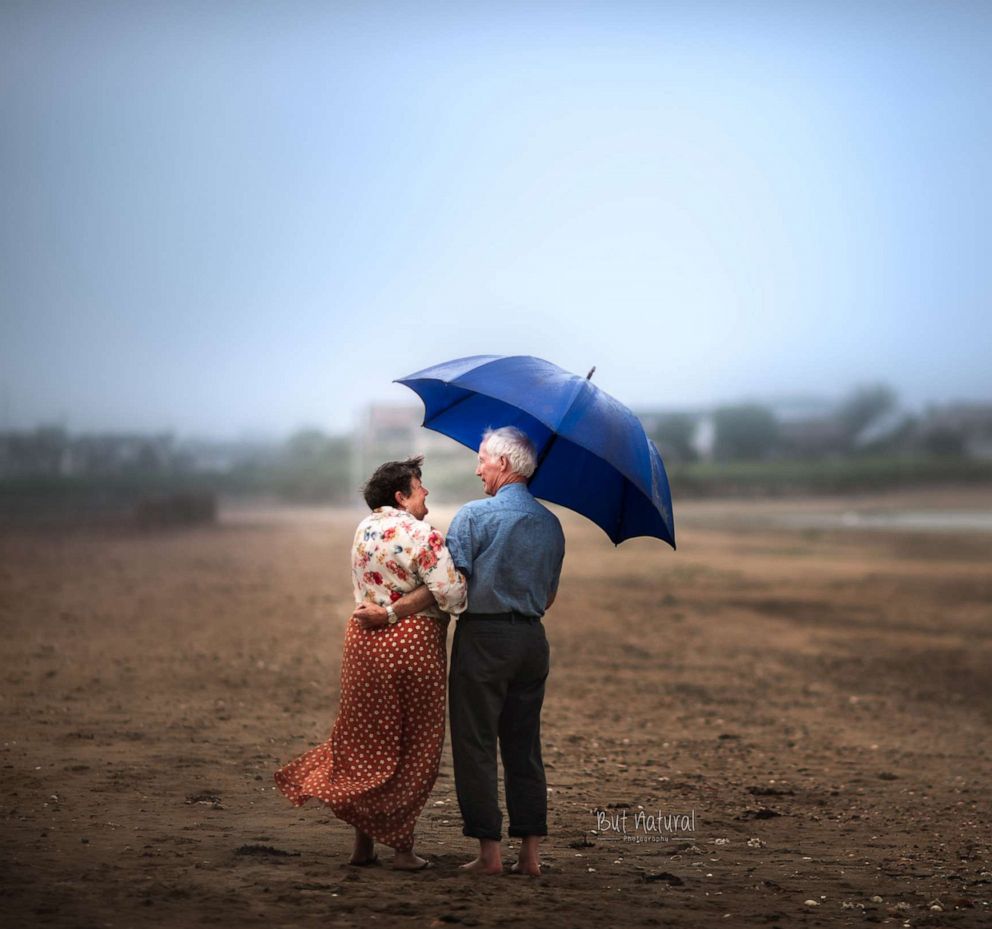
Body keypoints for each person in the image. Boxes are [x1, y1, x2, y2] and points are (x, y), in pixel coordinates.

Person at [274, 456, 467, 871]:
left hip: (363, 642)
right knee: (414, 745)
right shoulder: (423, 534)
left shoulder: (363, 529)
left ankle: (363, 847)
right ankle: (402, 850)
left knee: (367, 743)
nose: (426, 492)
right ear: (401, 496)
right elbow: (453, 597)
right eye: (420, 486)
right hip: (412, 644)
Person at [445, 426, 566, 876]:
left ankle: (488, 856)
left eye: (482, 459)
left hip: (483, 637)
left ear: (504, 464)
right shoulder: (552, 524)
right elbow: (548, 596)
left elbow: (452, 586)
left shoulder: (473, 516)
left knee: (476, 744)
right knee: (524, 746)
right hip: (532, 641)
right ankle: (530, 857)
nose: (477, 469)